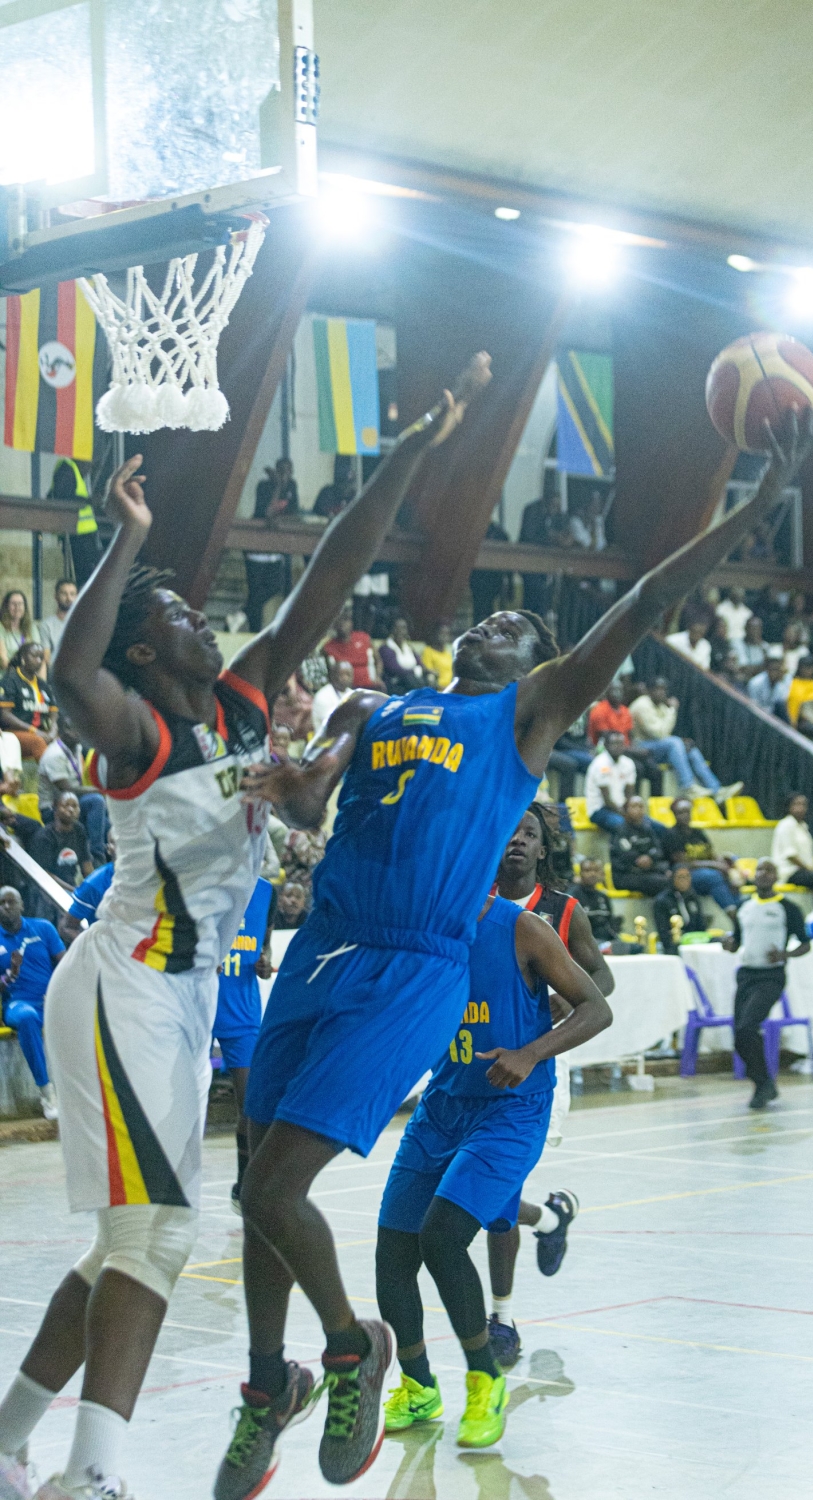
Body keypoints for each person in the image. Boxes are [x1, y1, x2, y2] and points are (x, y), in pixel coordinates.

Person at [220, 405, 813, 1498]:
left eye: (513, 626)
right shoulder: (373, 697)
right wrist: (294, 786)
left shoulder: (526, 718)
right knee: (251, 1190)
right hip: (320, 949)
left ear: (542, 671)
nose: (491, 623)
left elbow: (643, 604)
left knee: (275, 1189)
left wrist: (756, 505)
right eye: (486, 615)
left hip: (410, 965)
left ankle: (352, 1347)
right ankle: (269, 1378)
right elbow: (316, 787)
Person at [0, 352, 493, 1500]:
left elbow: (329, 573)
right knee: (158, 1243)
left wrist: (411, 450)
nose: (204, 619)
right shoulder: (131, 728)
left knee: (123, 1246)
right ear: (140, 646)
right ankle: (94, 1476)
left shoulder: (237, 699)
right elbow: (72, 670)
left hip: (178, 993)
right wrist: (125, 540)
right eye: (176, 612)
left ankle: (14, 1443)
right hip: (124, 981)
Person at [375, 892, 611, 1447]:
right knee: (392, 1253)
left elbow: (597, 1007)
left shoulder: (523, 929)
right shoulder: (421, 928)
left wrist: (531, 1052)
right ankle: (418, 1385)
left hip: (513, 1107)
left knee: (442, 1236)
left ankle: (485, 1378)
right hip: (443, 1105)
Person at [486, 804, 614, 1365]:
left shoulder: (564, 912)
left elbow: (602, 981)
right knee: (483, 1193)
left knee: (493, 1196)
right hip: (470, 1064)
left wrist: (565, 997)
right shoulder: (470, 903)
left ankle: (502, 1320)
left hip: (532, 1071)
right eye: (509, 831)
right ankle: (552, 1216)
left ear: (543, 849)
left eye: (529, 833)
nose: (517, 840)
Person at [722, 858, 810, 1108]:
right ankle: (763, 1082)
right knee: (739, 1034)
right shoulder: (744, 907)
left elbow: (805, 943)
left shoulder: (788, 908)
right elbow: (737, 941)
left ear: (776, 876)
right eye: (759, 869)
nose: (763, 874)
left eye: (769, 870)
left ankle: (763, 1083)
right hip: (746, 974)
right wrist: (729, 944)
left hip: (771, 976)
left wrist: (785, 955)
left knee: (749, 1026)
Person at [217, 876, 277, 1214]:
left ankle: (244, 1188)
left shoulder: (267, 891)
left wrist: (263, 961)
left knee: (252, 1103)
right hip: (197, 1005)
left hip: (242, 1008)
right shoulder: (203, 875)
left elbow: (263, 942)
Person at [0, 884, 63, 1120]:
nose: (6, 906)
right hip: (17, 1004)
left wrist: (59, 991)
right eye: (1, 903)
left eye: (11, 901)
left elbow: (65, 963)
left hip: (51, 1000)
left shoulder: (43, 928)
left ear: (21, 905)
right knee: (27, 1017)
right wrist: (10, 974)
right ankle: (48, 1094)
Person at [628, 677, 741, 803]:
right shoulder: (642, 705)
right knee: (675, 742)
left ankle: (716, 790)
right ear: (649, 691)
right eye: (657, 689)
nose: (662, 692)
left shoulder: (660, 705)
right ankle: (688, 787)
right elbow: (660, 733)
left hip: (658, 747)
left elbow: (664, 733)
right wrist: (672, 710)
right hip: (641, 747)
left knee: (690, 749)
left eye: (664, 689)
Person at [38, 719, 109, 864]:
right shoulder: (55, 754)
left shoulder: (75, 748)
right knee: (97, 800)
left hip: (74, 802)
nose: (77, 733)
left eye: (79, 728)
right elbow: (67, 789)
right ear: (61, 731)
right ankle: (97, 857)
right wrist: (101, 790)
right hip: (53, 809)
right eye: (71, 729)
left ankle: (111, 860)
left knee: (108, 820)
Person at [659, 796, 739, 919]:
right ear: (674, 814)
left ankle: (739, 909)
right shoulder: (671, 835)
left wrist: (724, 864)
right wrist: (715, 865)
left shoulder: (698, 833)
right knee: (713, 876)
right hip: (686, 875)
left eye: (687, 811)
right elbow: (685, 863)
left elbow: (711, 854)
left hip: (704, 873)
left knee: (734, 877)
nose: (685, 815)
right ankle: (732, 912)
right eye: (681, 812)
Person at [244, 459, 300, 633]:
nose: (285, 476)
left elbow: (294, 514)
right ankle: (253, 628)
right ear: (276, 471)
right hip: (257, 547)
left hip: (275, 548)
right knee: (256, 591)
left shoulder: (292, 487)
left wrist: (281, 519)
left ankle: (242, 613)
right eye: (282, 471)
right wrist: (277, 487)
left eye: (288, 472)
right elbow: (267, 512)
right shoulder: (264, 486)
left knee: (275, 587)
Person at [1, 642, 57, 761]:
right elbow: (4, 715)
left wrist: (52, 731)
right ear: (23, 657)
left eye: (41, 657)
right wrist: (33, 731)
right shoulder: (10, 680)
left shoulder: (43, 685)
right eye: (34, 656)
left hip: (40, 732)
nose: (38, 660)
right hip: (13, 733)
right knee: (38, 742)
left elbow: (53, 712)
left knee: (65, 745)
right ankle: (52, 778)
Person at [31, 790, 93, 897]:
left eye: (75, 806)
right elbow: (45, 874)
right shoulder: (44, 836)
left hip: (71, 886)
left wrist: (94, 887)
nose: (71, 809)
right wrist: (74, 891)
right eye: (66, 805)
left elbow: (86, 864)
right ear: (55, 808)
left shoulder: (79, 830)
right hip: (47, 890)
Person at [609, 796, 672, 896]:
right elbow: (623, 855)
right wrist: (638, 859)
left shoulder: (648, 829)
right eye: (634, 806)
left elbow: (658, 850)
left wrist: (649, 858)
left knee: (674, 875)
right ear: (625, 810)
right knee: (662, 883)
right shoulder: (620, 831)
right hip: (626, 875)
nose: (638, 810)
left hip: (648, 871)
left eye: (641, 807)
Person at [57, 843, 116, 948]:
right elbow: (67, 927)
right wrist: (95, 949)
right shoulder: (95, 884)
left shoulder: (151, 877)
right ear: (109, 849)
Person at [584, 731, 637, 834]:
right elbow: (607, 800)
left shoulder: (628, 763)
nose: (618, 746)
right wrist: (626, 815)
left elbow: (629, 794)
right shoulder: (601, 764)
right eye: (614, 743)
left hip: (620, 809)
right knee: (623, 825)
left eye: (621, 743)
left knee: (652, 826)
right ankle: (618, 849)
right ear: (606, 745)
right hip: (599, 810)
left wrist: (631, 813)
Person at [653, 863, 707, 953]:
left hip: (695, 942)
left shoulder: (693, 897)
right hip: (673, 945)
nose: (684, 881)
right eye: (680, 877)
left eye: (687, 877)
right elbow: (664, 933)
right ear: (673, 879)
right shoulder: (662, 901)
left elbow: (701, 926)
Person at [323, 604, 380, 690]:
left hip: (370, 685)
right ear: (334, 625)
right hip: (347, 689)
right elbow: (329, 673)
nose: (342, 624)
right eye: (339, 621)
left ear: (351, 623)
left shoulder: (364, 638)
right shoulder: (328, 647)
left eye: (346, 620)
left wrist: (377, 676)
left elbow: (378, 661)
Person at [567, 856, 621, 945]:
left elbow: (609, 924)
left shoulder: (604, 897)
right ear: (580, 873)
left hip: (605, 940)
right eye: (588, 871)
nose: (592, 874)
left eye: (596, 870)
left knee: (636, 947)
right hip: (583, 943)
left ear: (601, 873)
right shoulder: (572, 896)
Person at [38, 580, 79, 666]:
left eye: (72, 594)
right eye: (64, 594)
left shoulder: (84, 623)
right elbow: (46, 658)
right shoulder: (46, 625)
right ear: (56, 597)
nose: (69, 598)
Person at [379, 617, 425, 693]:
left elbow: (420, 664)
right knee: (410, 681)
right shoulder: (386, 648)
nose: (400, 631)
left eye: (403, 628)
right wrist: (414, 671)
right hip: (396, 684)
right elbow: (395, 669)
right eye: (397, 628)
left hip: (413, 682)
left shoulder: (409, 647)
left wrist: (428, 671)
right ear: (391, 630)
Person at [310, 661, 355, 736]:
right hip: (327, 741)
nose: (345, 678)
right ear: (333, 676)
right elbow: (334, 724)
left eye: (348, 674)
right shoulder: (323, 696)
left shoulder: (353, 694)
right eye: (342, 675)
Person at [0, 591, 40, 673]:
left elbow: (38, 655)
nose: (17, 607)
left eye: (20, 604)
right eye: (13, 604)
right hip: (8, 675)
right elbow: (3, 661)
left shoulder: (32, 627)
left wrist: (41, 684)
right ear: (6, 606)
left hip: (29, 674)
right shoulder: (1, 627)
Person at [785, 654, 813, 731]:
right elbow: (794, 705)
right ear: (800, 668)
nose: (809, 670)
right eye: (806, 667)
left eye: (811, 668)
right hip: (801, 722)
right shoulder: (793, 683)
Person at [746, 651, 792, 717]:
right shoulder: (755, 683)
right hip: (756, 715)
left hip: (773, 717)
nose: (777, 673)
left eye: (778, 670)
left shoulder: (781, 685)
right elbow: (752, 705)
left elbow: (780, 706)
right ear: (767, 670)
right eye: (774, 669)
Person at [421, 623, 454, 689]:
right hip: (439, 690)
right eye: (442, 633)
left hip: (452, 689)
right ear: (435, 634)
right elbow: (428, 675)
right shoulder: (428, 651)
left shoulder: (448, 654)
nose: (445, 636)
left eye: (447, 633)